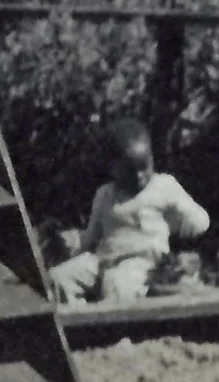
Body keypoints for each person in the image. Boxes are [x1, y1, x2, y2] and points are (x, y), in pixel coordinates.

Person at [49, 119, 210, 303]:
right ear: (111, 168)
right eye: (129, 171)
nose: (139, 176)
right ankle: (74, 325)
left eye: (144, 168)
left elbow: (199, 217)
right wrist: (76, 241)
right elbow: (92, 235)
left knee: (116, 283)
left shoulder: (163, 186)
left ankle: (111, 330)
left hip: (140, 265)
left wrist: (190, 225)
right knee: (58, 278)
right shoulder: (105, 194)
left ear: (152, 159)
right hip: (102, 260)